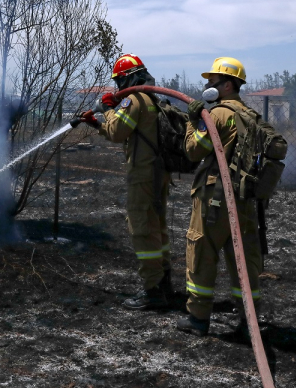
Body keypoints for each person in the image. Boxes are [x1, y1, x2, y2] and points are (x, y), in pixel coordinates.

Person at [78, 54, 173, 310]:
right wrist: (97, 122)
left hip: (143, 175)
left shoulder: (135, 99)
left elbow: (118, 132)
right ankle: (165, 284)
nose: (118, 87)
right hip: (157, 173)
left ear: (127, 78)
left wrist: (108, 111)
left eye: (119, 81)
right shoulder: (152, 97)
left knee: (142, 230)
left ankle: (153, 291)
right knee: (157, 227)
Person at [177, 57, 263, 336]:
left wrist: (192, 121)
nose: (207, 86)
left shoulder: (218, 115)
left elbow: (193, 150)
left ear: (227, 85)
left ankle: (198, 319)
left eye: (212, 82)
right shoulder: (250, 116)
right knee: (243, 259)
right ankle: (248, 320)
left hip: (215, 199)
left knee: (202, 252)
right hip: (245, 199)